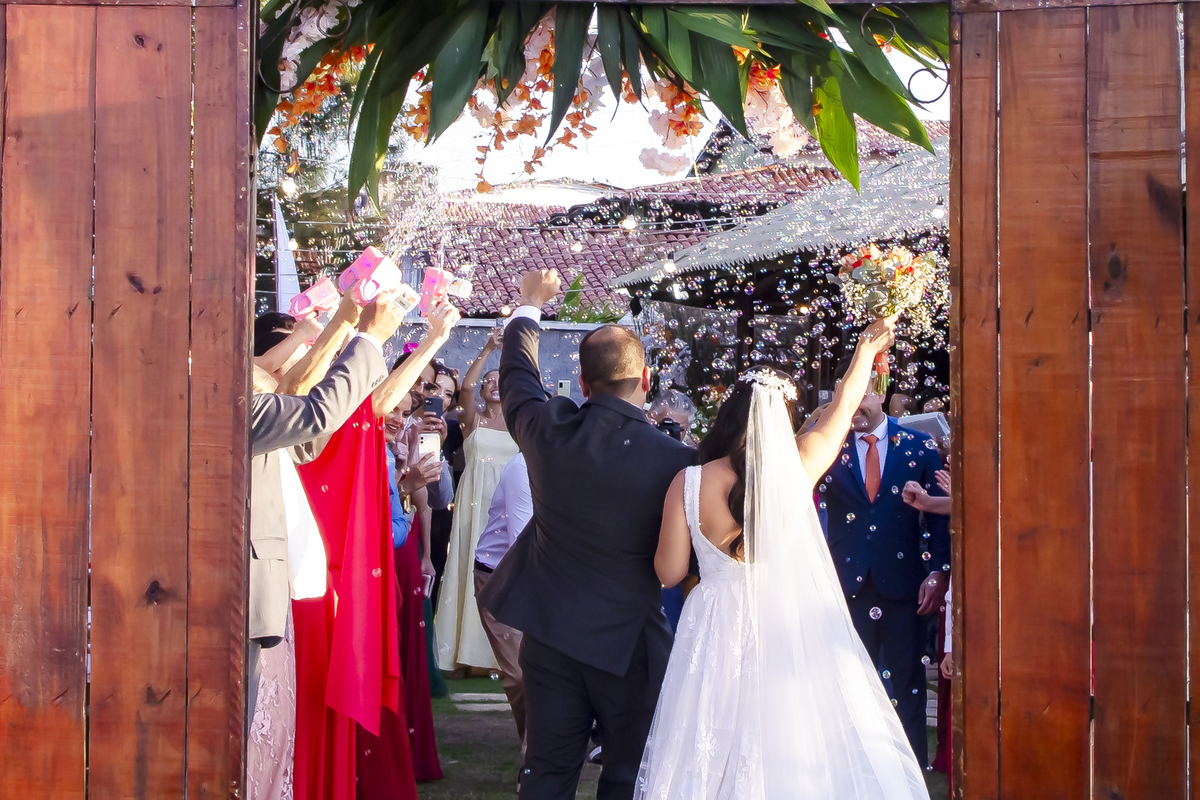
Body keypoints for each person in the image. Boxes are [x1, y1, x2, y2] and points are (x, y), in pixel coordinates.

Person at [638, 318, 930, 800]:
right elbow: (844, 407)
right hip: (783, 619)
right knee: (785, 731)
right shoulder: (800, 465)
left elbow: (668, 572)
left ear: (728, 416)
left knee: (708, 735)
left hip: (712, 622)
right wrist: (865, 350)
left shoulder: (688, 482)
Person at [479, 269, 697, 800]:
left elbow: (518, 380)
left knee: (547, 774)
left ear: (581, 384)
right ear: (646, 379)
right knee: (627, 776)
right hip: (632, 644)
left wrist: (529, 306)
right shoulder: (679, 462)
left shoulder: (549, 432)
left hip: (551, 637)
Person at [247, 294, 405, 800]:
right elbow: (312, 411)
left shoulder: (260, 400)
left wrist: (340, 323)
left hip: (281, 593)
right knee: (256, 737)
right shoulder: (228, 399)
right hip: (257, 597)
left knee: (274, 736)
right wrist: (368, 338)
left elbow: (307, 437)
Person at [819, 361, 950, 769]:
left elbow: (942, 518)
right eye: (844, 395)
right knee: (844, 683)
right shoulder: (827, 447)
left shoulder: (919, 446)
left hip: (904, 584)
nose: (852, 406)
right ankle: (849, 770)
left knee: (908, 682)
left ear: (879, 390)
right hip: (843, 584)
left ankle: (908, 773)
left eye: (859, 394)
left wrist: (939, 572)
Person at [435, 332, 519, 674]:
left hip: (508, 504)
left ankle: (499, 654)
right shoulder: (473, 420)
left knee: (504, 570)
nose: (494, 385)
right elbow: (465, 388)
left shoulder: (519, 423)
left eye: (502, 380)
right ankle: (465, 653)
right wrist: (489, 349)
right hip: (473, 503)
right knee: (470, 565)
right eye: (490, 381)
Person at [473, 451, 534, 763]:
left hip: (549, 576)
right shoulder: (523, 469)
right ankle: (537, 762)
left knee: (544, 677)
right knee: (523, 676)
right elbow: (521, 545)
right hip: (500, 577)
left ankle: (538, 761)